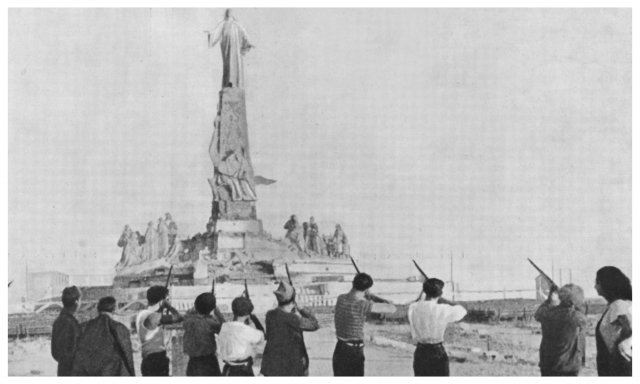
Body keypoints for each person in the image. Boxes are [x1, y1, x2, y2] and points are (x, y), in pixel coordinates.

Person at [333, 273, 396, 376]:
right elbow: (392, 308)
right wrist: (374, 297)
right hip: (354, 351)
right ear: (367, 289)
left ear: (353, 283)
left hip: (339, 348)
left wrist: (366, 295)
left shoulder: (341, 299)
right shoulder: (363, 304)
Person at [408, 278, 467, 376]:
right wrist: (446, 301)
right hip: (437, 352)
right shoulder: (442, 309)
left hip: (420, 351)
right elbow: (462, 311)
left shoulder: (413, 307)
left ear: (425, 291)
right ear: (440, 294)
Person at [260, 281, 320, 376]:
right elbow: (314, 324)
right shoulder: (292, 319)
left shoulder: (270, 315)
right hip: (292, 366)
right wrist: (302, 309)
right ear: (293, 299)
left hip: (273, 365)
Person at [71, 296, 135, 376]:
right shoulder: (119, 327)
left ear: (98, 309)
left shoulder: (83, 327)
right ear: (114, 309)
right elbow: (127, 354)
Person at [534, 284, 587, 376]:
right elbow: (583, 311)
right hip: (569, 367)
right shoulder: (577, 317)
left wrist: (549, 300)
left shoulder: (547, 313)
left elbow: (538, 314)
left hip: (548, 365)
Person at [136, 285, 184, 376]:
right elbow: (179, 317)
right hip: (157, 359)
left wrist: (161, 307)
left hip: (146, 359)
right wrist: (168, 306)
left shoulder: (142, 314)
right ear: (161, 301)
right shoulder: (155, 316)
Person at [594, 266, 632, 376]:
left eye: (597, 282)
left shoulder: (618, 305)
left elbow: (630, 326)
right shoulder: (620, 304)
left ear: (607, 284)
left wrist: (624, 342)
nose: (595, 287)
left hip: (616, 365)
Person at [207, 9, 254, 89]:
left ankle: (233, 83)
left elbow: (245, 35)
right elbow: (215, 33)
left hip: (235, 52)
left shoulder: (236, 25)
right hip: (227, 50)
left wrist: (248, 43)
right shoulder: (224, 24)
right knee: (228, 66)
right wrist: (210, 34)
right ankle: (229, 83)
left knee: (234, 67)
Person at [218, 296, 265, 376]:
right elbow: (261, 337)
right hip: (243, 371)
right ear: (248, 314)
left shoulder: (224, 326)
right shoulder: (247, 330)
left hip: (227, 370)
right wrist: (252, 323)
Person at [182, 292, 227, 376]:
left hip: (192, 362)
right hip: (208, 361)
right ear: (211, 308)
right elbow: (225, 328)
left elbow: (189, 312)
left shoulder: (188, 319)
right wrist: (217, 312)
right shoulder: (211, 322)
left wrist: (198, 306)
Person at [51, 286, 82, 376]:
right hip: (72, 372)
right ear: (76, 301)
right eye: (80, 299)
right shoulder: (70, 323)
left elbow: (55, 353)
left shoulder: (59, 321)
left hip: (63, 370)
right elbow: (73, 352)